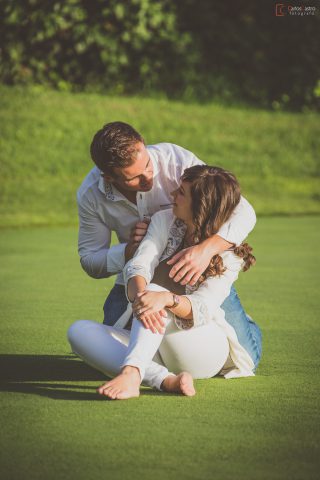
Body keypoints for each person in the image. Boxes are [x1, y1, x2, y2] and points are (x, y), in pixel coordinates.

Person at [68, 165, 262, 399]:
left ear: (200, 206)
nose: (172, 196)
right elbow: (139, 264)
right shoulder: (163, 220)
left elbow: (201, 309)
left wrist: (166, 299)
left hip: (203, 350)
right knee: (79, 331)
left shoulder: (230, 255)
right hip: (157, 340)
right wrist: (144, 297)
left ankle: (132, 373)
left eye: (181, 192)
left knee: (155, 292)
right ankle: (165, 380)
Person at [77, 122, 256, 352]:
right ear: (109, 178)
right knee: (110, 346)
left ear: (143, 145)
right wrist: (130, 251)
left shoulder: (176, 160)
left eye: (148, 166)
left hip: (197, 270)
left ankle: (234, 318)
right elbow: (90, 261)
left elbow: (244, 211)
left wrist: (205, 250)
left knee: (246, 352)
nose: (148, 179)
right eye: (134, 178)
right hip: (137, 274)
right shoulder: (90, 194)